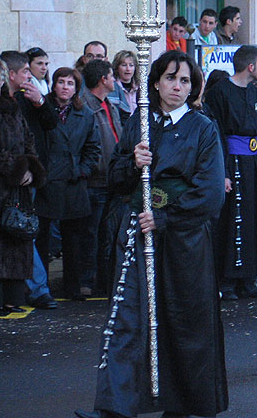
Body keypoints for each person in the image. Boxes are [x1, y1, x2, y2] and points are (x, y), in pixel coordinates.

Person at [76, 50, 228, 418]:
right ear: (156, 81)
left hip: (184, 240)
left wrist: (165, 218)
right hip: (136, 235)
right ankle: (114, 407)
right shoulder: (138, 123)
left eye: (185, 80)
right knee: (127, 318)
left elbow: (209, 193)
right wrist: (133, 163)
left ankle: (183, 404)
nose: (177, 87)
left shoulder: (203, 128)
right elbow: (114, 178)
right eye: (171, 78)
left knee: (184, 320)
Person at [206, 45, 257, 300]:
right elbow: (217, 133)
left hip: (254, 163)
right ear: (250, 66)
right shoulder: (220, 92)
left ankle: (248, 278)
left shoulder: (255, 94)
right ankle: (227, 280)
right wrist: (221, 171)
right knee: (232, 219)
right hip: (231, 160)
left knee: (253, 218)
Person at [34, 67, 101, 300]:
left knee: (73, 240)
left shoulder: (86, 114)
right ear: (53, 85)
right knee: (42, 238)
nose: (64, 87)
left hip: (73, 183)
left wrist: (81, 170)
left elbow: (94, 149)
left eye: (70, 83)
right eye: (61, 82)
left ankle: (73, 286)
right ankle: (41, 289)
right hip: (46, 181)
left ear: (76, 89)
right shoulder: (42, 110)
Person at [0, 59, 46, 315]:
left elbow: (28, 139)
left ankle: (12, 298)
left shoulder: (12, 107)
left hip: (16, 190)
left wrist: (29, 168)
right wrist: (14, 169)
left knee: (16, 239)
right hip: (4, 183)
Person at [82, 59, 122, 297]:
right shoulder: (86, 106)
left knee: (108, 233)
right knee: (91, 233)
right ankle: (87, 279)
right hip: (95, 180)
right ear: (102, 80)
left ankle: (106, 279)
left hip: (112, 180)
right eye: (111, 76)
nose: (115, 80)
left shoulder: (111, 106)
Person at [108, 50, 140, 124]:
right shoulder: (112, 87)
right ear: (117, 67)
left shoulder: (140, 88)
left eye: (131, 65)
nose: (128, 69)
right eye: (124, 65)